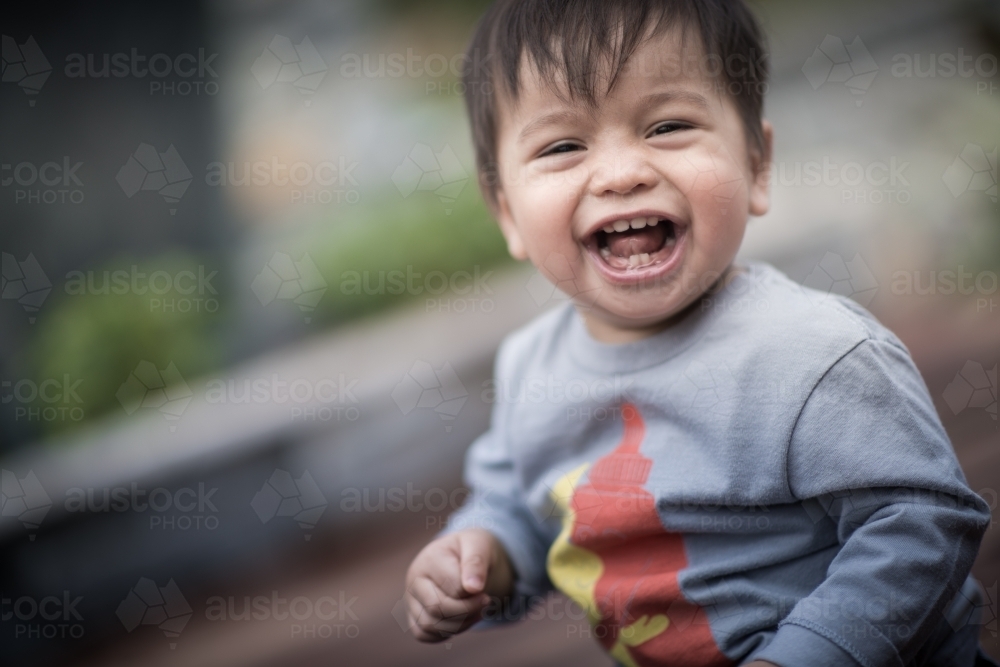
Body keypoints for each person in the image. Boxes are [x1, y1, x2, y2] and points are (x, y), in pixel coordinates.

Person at [403, 1, 996, 665]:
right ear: (508, 213)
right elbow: (519, 504)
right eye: (564, 145)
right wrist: (479, 553)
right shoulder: (530, 368)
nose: (623, 172)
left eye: (668, 125)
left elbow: (921, 524)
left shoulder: (811, 352)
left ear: (756, 165)